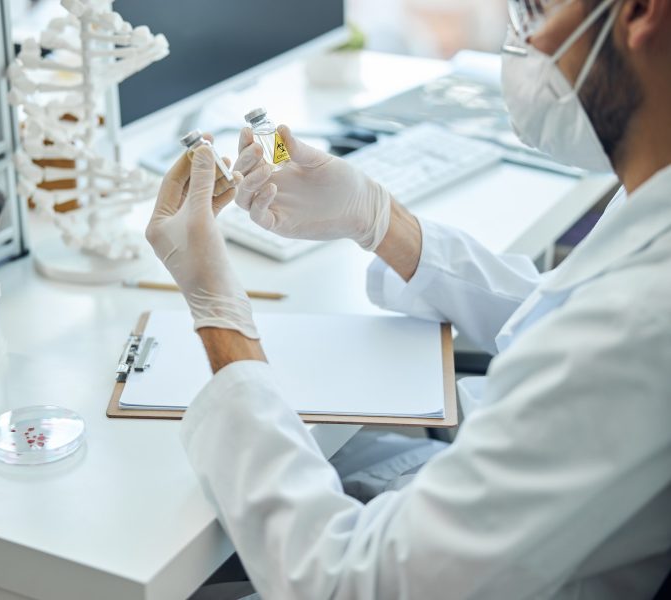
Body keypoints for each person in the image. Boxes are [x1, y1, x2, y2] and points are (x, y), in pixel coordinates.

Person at [145, 0, 671, 598]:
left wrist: (220, 317)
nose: (523, 37)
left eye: (536, 8)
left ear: (639, 13)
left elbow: (346, 581)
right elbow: (560, 317)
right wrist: (377, 218)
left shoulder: (642, 322)